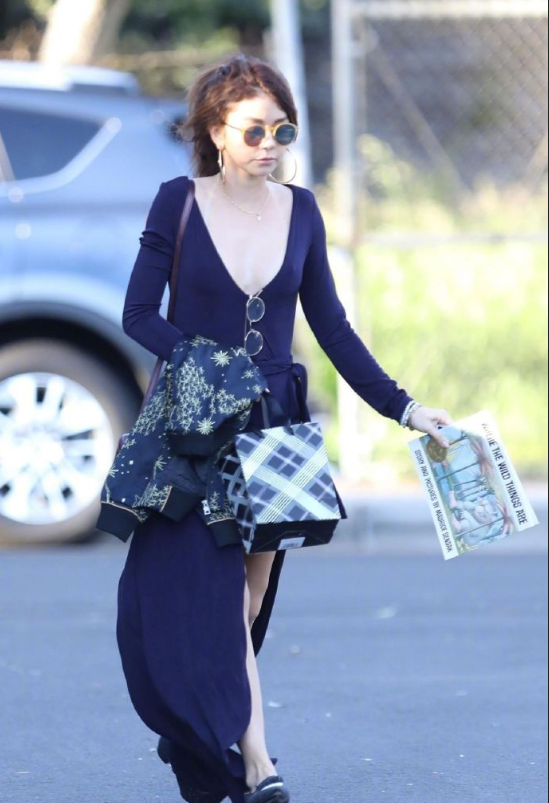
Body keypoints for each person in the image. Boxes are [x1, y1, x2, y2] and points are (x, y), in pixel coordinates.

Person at [116, 53, 453, 803]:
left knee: (249, 595)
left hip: (274, 424)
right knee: (205, 591)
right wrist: (207, 364)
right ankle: (259, 764)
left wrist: (405, 408)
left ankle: (204, 720)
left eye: (282, 129)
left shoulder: (301, 210)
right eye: (253, 130)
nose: (270, 143)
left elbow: (331, 327)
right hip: (194, 422)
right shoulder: (177, 202)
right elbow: (138, 314)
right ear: (216, 131)